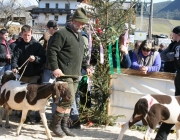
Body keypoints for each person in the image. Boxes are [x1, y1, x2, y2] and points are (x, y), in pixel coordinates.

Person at [47, 8, 91, 137]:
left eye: (84, 24)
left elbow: (81, 55)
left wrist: (86, 66)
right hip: (64, 73)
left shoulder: (80, 36)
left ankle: (64, 126)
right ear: (74, 21)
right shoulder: (61, 33)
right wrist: (55, 68)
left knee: (70, 102)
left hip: (75, 74)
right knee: (68, 99)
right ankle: (54, 124)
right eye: (81, 23)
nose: (83, 26)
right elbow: (52, 51)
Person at [155, 26, 180, 140]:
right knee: (176, 107)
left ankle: (161, 136)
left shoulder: (175, 46)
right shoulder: (173, 45)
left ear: (178, 34)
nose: (172, 35)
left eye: (173, 33)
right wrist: (172, 56)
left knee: (177, 107)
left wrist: (173, 56)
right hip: (179, 76)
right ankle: (161, 136)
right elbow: (163, 55)